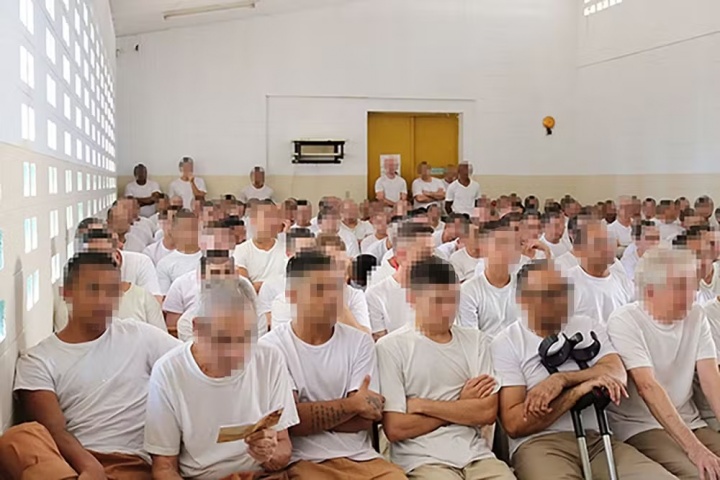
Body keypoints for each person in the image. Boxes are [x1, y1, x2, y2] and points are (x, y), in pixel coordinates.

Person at [0, 253, 180, 479]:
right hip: (72, 463)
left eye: (112, 291)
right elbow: (54, 428)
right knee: (19, 438)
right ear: (66, 293)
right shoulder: (37, 360)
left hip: (131, 464)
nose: (104, 300)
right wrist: (90, 467)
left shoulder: (141, 336)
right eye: (93, 289)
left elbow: (193, 362)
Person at [491, 260, 674, 480]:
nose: (560, 301)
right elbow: (514, 423)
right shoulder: (507, 343)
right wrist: (577, 393)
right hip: (541, 444)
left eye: (564, 291)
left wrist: (562, 379)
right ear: (522, 300)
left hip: (598, 438)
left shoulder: (587, 326)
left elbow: (617, 372)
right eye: (549, 294)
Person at [259, 252, 406, 479]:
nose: (331, 298)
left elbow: (365, 418)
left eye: (337, 288)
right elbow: (289, 424)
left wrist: (305, 414)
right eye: (319, 289)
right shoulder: (271, 348)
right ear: (292, 295)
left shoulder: (360, 342)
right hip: (303, 462)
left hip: (362, 458)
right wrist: (352, 405)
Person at [144, 281, 298, 480]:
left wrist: (268, 454)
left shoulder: (269, 359)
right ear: (197, 328)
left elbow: (284, 446)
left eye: (246, 338)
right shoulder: (169, 371)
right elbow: (164, 467)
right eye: (223, 339)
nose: (236, 353)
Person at [378, 257, 514, 480]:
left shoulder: (476, 341)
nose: (448, 310)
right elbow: (396, 428)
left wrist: (423, 405)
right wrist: (460, 405)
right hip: (421, 460)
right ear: (412, 299)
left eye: (453, 299)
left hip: (476, 455)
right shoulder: (391, 348)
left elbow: (486, 412)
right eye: (438, 301)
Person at [607, 247, 720, 479]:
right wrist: (695, 449)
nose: (692, 294)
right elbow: (648, 387)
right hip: (642, 426)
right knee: (703, 474)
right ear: (651, 291)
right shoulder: (625, 320)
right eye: (681, 287)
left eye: (692, 285)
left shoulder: (696, 316)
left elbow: (712, 382)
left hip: (691, 421)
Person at [270, 234, 371, 334]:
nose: (341, 272)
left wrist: (341, 309)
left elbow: (366, 339)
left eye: (343, 265)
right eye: (332, 265)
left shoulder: (354, 295)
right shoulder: (285, 302)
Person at [366, 222, 434, 340]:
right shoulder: (376, 295)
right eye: (424, 253)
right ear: (401, 254)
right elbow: (382, 343)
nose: (432, 259)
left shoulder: (441, 290)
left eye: (432, 252)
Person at [458, 220, 522, 337]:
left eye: (514, 245)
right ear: (484, 248)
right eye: (501, 244)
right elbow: (472, 337)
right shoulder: (468, 291)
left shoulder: (525, 287)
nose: (509, 250)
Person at [564, 220, 634, 324]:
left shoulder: (623, 281)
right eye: (599, 243)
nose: (608, 247)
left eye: (609, 240)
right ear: (579, 250)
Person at [234, 200, 287, 292]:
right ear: (253, 221)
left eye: (273, 218)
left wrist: (260, 286)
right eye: (265, 217)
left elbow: (287, 285)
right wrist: (270, 286)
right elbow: (245, 289)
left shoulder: (287, 251)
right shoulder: (240, 250)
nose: (269, 222)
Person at [156, 210, 203, 295]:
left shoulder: (211, 258)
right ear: (173, 232)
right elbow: (164, 297)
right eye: (186, 229)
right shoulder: (164, 264)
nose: (191, 234)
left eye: (195, 229)